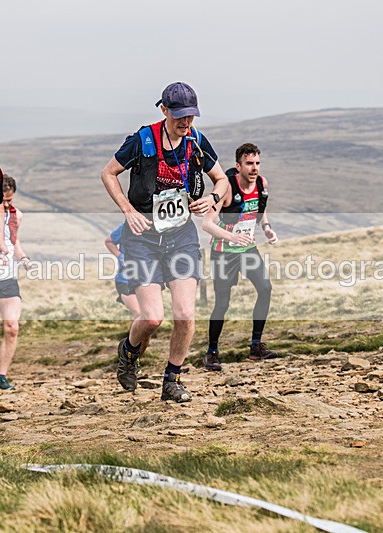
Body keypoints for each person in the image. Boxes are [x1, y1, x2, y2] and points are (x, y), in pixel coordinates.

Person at [101, 82, 229, 402]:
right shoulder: (142, 140)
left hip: (181, 236)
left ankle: (172, 380)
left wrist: (213, 198)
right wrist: (128, 210)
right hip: (142, 238)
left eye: (191, 116)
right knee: (152, 317)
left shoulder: (196, 141)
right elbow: (109, 173)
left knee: (185, 314)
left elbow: (222, 179)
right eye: (179, 116)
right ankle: (129, 352)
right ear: (164, 110)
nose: (185, 122)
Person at [201, 143, 278, 371]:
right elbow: (207, 224)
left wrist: (267, 228)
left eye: (257, 163)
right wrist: (232, 237)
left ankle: (256, 345)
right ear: (238, 166)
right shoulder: (226, 188)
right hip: (223, 252)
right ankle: (212, 352)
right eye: (249, 163)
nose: (254, 168)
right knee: (222, 303)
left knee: (265, 288)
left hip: (248, 249)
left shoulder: (262, 183)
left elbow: (260, 208)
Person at [0, 175, 29, 390]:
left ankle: (1, 376)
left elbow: (14, 243)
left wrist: (24, 258)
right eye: (3, 200)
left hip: (8, 277)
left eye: (10, 200)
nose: (7, 204)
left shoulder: (16, 215)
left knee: (12, 327)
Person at [105, 224, 150, 357]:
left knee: (149, 320)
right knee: (139, 313)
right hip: (124, 280)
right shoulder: (128, 226)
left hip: (146, 280)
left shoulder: (159, 227)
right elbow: (109, 241)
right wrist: (120, 256)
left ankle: (135, 358)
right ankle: (128, 353)